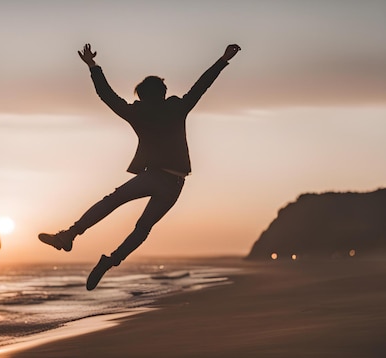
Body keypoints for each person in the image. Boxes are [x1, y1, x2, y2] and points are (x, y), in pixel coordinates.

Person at [39, 43, 241, 290]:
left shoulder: (138, 112)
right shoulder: (176, 107)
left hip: (153, 176)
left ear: (141, 95)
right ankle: (110, 260)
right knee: (142, 228)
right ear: (163, 92)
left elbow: (107, 96)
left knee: (112, 201)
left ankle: (69, 235)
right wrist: (222, 59)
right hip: (174, 183)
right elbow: (201, 86)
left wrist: (93, 66)